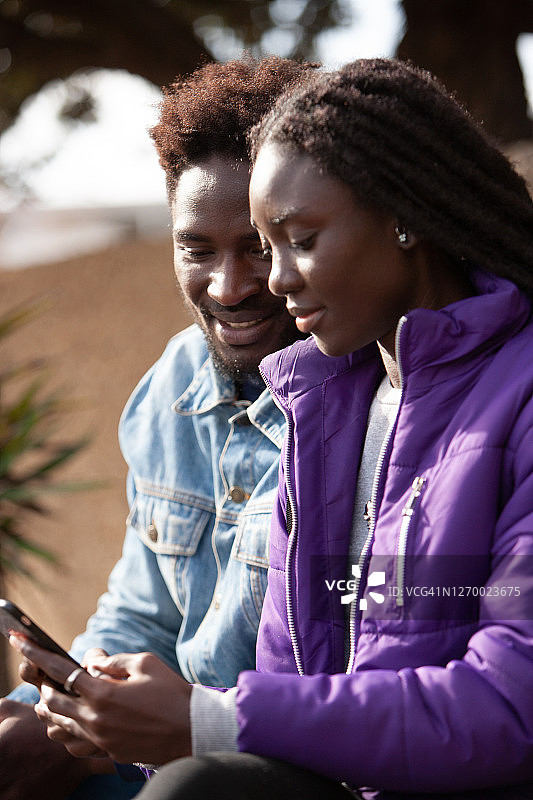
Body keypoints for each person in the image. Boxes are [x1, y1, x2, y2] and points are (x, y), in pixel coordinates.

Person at [11, 57, 533, 799]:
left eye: (293, 240)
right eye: (203, 248)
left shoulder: (504, 395)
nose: (271, 281)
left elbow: (507, 705)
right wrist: (97, 709)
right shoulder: (325, 397)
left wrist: (204, 724)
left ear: (406, 217)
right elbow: (276, 674)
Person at [0, 55, 314, 800]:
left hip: (263, 764)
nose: (229, 288)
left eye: (258, 248)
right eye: (196, 250)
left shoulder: (366, 404)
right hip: (150, 751)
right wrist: (65, 701)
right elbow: (144, 612)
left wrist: (179, 728)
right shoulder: (173, 382)